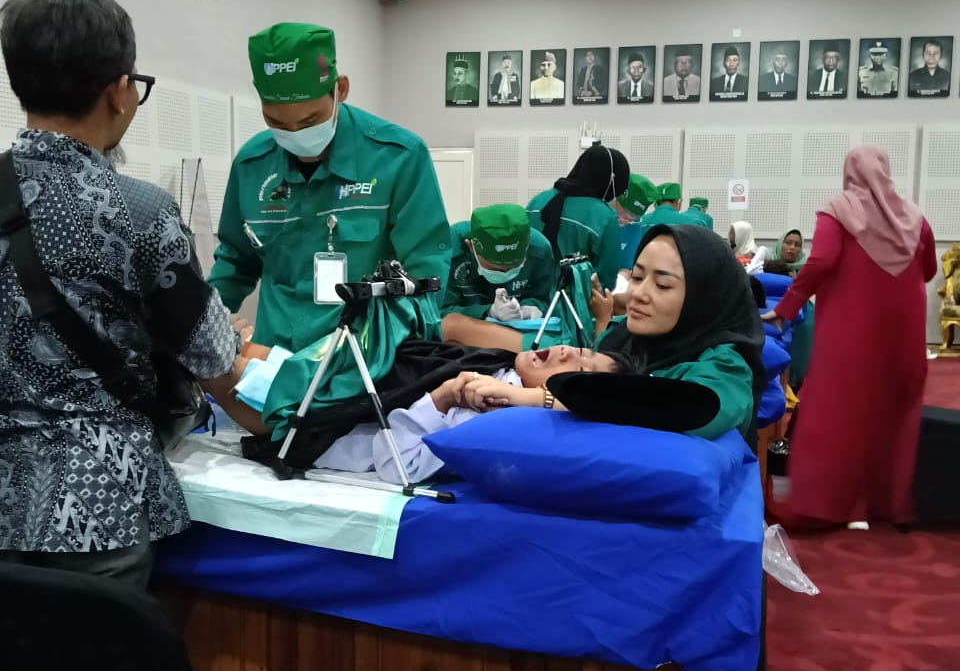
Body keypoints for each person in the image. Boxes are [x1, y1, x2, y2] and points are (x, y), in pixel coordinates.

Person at [0, 0, 242, 585]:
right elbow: (212, 353)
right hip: (94, 503)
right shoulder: (138, 210)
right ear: (119, 91)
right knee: (93, 649)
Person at [209, 23, 451, 353]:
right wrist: (196, 332)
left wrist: (394, 349)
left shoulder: (398, 158)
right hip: (276, 359)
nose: (295, 133)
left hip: (363, 357)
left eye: (310, 121)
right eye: (277, 123)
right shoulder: (252, 166)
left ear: (341, 89)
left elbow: (426, 272)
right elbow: (234, 264)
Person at [767, 146, 936, 526]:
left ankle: (830, 505)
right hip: (903, 337)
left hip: (851, 334)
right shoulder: (915, 219)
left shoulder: (839, 211)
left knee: (839, 412)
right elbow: (928, 270)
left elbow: (822, 260)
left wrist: (786, 307)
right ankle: (886, 503)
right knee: (892, 413)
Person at [266, 344, 628, 483]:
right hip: (338, 380)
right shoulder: (504, 369)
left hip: (323, 427)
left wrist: (441, 397)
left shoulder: (495, 414)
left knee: (245, 373)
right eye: (582, 350)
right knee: (261, 358)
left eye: (580, 370)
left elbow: (397, 466)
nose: (567, 352)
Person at [596, 225, 765, 444]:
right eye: (637, 277)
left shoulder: (725, 368)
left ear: (703, 298)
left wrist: (569, 395)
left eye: (662, 285)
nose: (638, 293)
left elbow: (694, 410)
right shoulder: (619, 334)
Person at [527, 145, 628, 289]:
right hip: (573, 301)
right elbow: (604, 281)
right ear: (610, 182)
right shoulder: (604, 217)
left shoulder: (536, 202)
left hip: (527, 298)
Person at [442, 204, 556, 322]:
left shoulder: (540, 250)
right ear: (471, 246)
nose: (505, 273)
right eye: (495, 268)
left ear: (527, 246)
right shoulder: (447, 251)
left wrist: (531, 307)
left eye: (513, 267)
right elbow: (438, 312)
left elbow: (545, 298)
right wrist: (488, 311)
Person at [766, 229, 814, 387]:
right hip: (771, 310)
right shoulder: (765, 264)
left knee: (807, 326)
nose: (792, 248)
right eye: (788, 243)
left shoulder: (806, 269)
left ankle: (797, 380)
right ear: (780, 244)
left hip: (800, 310)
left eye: (797, 245)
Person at [612, 174, 658, 265]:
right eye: (624, 216)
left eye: (632, 220)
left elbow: (630, 261)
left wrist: (626, 271)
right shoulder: (600, 216)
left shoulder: (636, 225)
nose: (626, 222)